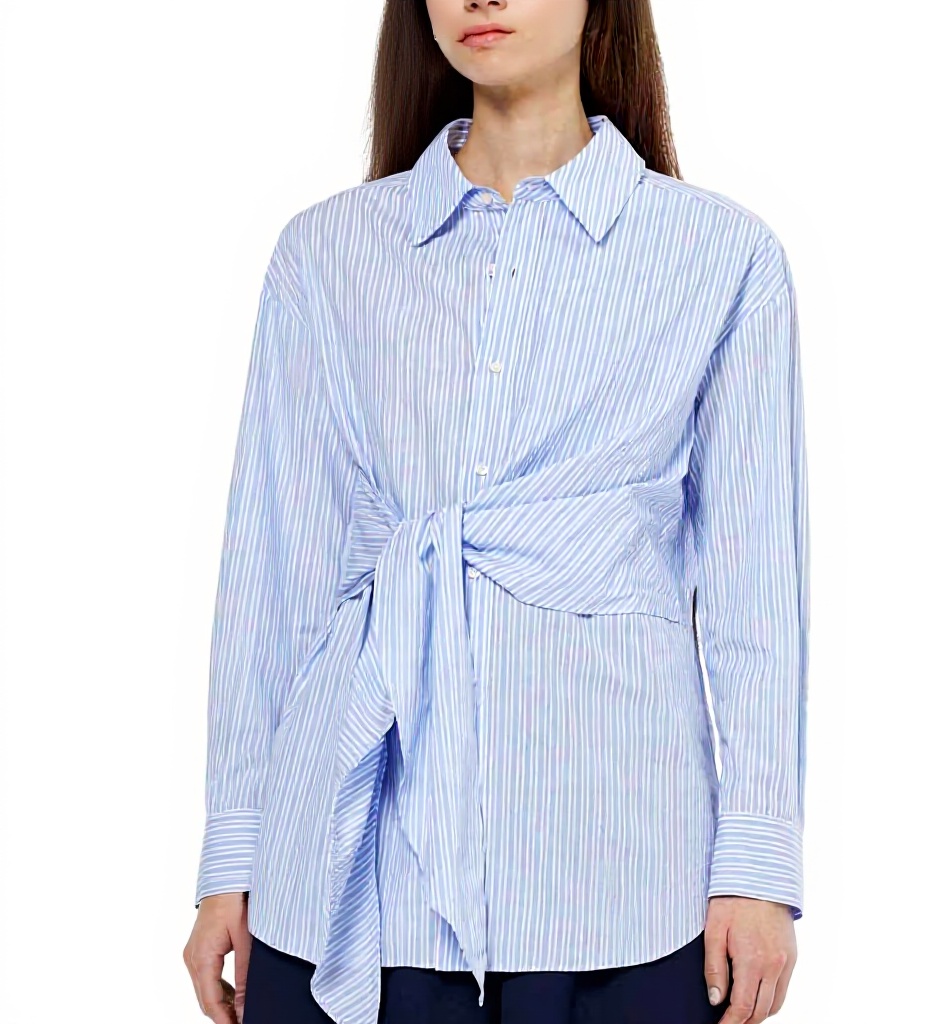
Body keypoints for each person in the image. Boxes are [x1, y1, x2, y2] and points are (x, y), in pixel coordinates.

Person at [182, 1, 811, 1022]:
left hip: (619, 878)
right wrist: (233, 857)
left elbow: (756, 598)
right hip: (352, 878)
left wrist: (757, 862)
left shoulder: (720, 256)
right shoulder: (326, 253)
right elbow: (274, 573)